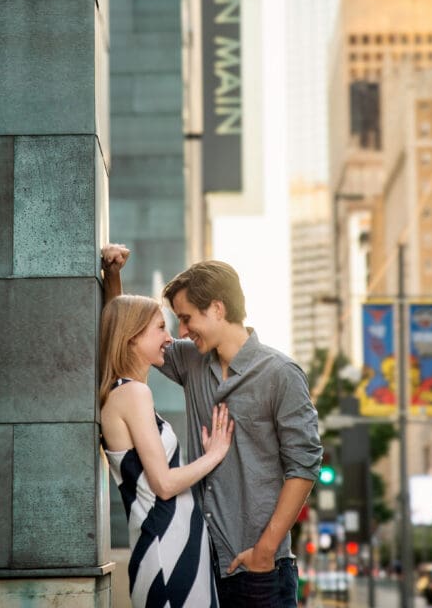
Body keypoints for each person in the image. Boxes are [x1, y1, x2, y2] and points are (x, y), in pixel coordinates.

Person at [102, 244, 323, 608]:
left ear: (218, 309)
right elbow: (129, 337)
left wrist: (265, 551)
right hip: (201, 564)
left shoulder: (281, 374)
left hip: (257, 568)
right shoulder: (193, 361)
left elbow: (304, 465)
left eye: (187, 318)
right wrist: (113, 277)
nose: (182, 331)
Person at [99, 291, 235, 608]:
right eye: (160, 327)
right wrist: (214, 454)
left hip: (173, 545)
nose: (170, 338)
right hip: (166, 547)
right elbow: (163, 484)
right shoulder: (133, 394)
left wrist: (113, 276)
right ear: (132, 336)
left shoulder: (127, 393)